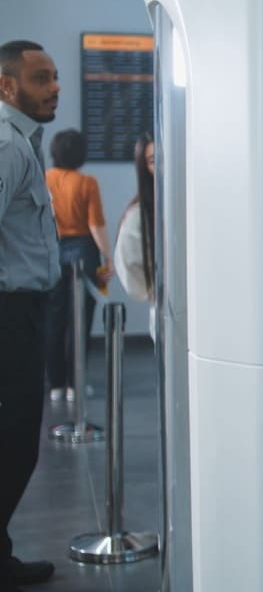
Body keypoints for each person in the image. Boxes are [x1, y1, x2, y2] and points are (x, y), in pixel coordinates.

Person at [0, 40, 66, 592]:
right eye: (41, 78)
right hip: (8, 314)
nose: (54, 87)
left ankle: (3, 561)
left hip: (20, 311)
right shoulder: (6, 144)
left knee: (15, 445)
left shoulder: (21, 141)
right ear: (7, 86)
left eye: (55, 77)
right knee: (13, 447)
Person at [45, 129, 113, 402]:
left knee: (54, 320)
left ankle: (56, 385)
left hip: (53, 251)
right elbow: (96, 224)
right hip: (84, 252)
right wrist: (108, 257)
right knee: (80, 321)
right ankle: (76, 384)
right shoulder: (87, 183)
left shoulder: (45, 178)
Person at [114, 132, 156, 341]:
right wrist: (157, 292)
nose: (163, 166)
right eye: (153, 161)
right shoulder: (139, 215)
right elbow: (132, 271)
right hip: (170, 312)